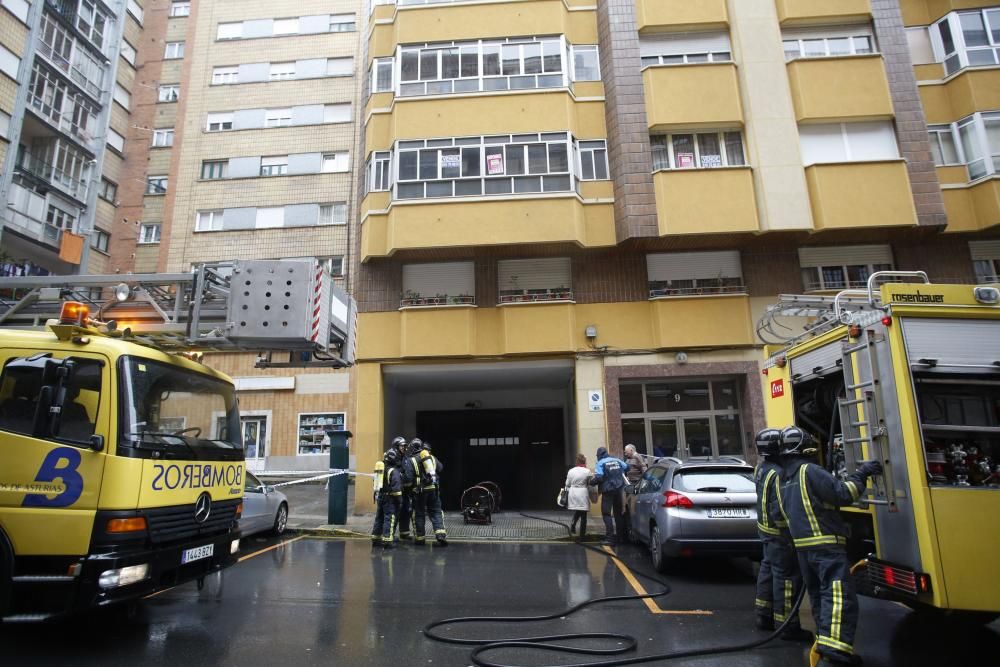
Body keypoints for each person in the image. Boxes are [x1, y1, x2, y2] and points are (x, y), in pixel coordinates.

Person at [776, 426, 882, 666]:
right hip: (825, 547)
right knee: (838, 598)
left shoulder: (784, 478)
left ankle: (826, 644)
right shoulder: (810, 471)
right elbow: (843, 494)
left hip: (804, 550)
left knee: (821, 598)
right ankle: (835, 655)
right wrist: (862, 474)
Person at [753, 428, 812, 642]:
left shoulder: (761, 469)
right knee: (786, 578)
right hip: (779, 533)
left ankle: (763, 615)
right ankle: (787, 625)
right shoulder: (778, 473)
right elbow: (781, 505)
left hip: (765, 530)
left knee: (768, 570)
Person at [412, 439, 447, 546]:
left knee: (419, 514)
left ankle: (420, 538)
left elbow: (409, 476)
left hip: (421, 491)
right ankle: (440, 534)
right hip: (433, 489)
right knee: (436, 512)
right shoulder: (432, 458)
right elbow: (441, 468)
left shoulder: (413, 459)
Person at [590, 446, 628, 545]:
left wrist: (591, 482)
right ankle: (621, 537)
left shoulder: (600, 463)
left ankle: (609, 538)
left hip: (607, 491)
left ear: (599, 455)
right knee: (618, 514)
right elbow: (627, 467)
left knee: (606, 514)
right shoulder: (617, 460)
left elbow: (599, 478)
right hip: (619, 490)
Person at [378, 448, 404, 549]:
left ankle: (376, 538)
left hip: (381, 497)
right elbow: (397, 489)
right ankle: (388, 540)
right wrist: (400, 500)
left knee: (379, 518)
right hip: (390, 499)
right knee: (390, 518)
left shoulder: (382, 469)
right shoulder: (394, 471)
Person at [390, 436, 415, 541]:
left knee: (406, 511)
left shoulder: (405, 457)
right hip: (396, 491)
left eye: (405, 446)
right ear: (396, 446)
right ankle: (390, 535)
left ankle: (404, 533)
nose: (404, 448)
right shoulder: (392, 458)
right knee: (394, 513)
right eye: (402, 446)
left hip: (405, 491)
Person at [565, 453, 591, 539]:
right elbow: (590, 483)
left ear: (576, 461)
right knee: (583, 514)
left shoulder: (571, 471)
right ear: (584, 461)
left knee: (579, 510)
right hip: (583, 493)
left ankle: (573, 523)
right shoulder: (587, 471)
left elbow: (567, 484)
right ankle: (582, 535)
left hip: (573, 493)